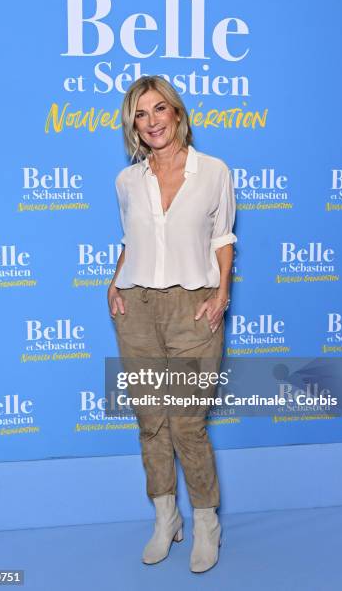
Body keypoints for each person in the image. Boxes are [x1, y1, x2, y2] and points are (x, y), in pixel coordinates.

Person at [108, 75, 237, 573]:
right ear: (133, 126)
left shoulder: (214, 171)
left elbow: (223, 236)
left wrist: (222, 293)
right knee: (150, 422)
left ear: (178, 114)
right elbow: (131, 240)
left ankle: (205, 521)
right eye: (141, 114)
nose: (152, 121)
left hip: (194, 306)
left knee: (187, 423)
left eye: (159, 109)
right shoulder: (127, 181)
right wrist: (115, 282)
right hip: (135, 307)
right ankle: (166, 519)